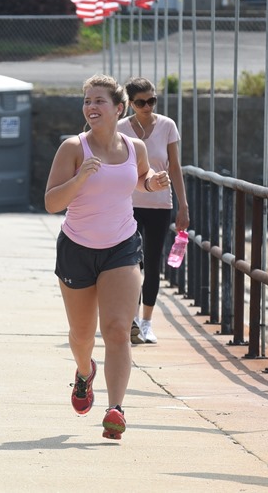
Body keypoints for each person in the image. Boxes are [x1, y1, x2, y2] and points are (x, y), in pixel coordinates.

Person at [45, 74, 171, 441]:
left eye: (99, 101)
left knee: (117, 329)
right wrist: (79, 179)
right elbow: (52, 203)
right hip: (77, 247)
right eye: (87, 101)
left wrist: (152, 183)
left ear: (119, 108)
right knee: (82, 335)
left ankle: (116, 409)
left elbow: (141, 178)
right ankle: (84, 372)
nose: (91, 107)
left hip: (122, 246)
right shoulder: (73, 148)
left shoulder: (135, 148)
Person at [118, 77, 189, 345]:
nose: (147, 107)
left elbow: (175, 167)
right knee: (131, 264)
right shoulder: (121, 128)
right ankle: (133, 320)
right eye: (141, 102)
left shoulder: (167, 125)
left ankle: (147, 322)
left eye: (152, 101)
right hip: (129, 205)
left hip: (160, 204)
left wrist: (183, 206)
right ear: (130, 104)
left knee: (153, 264)